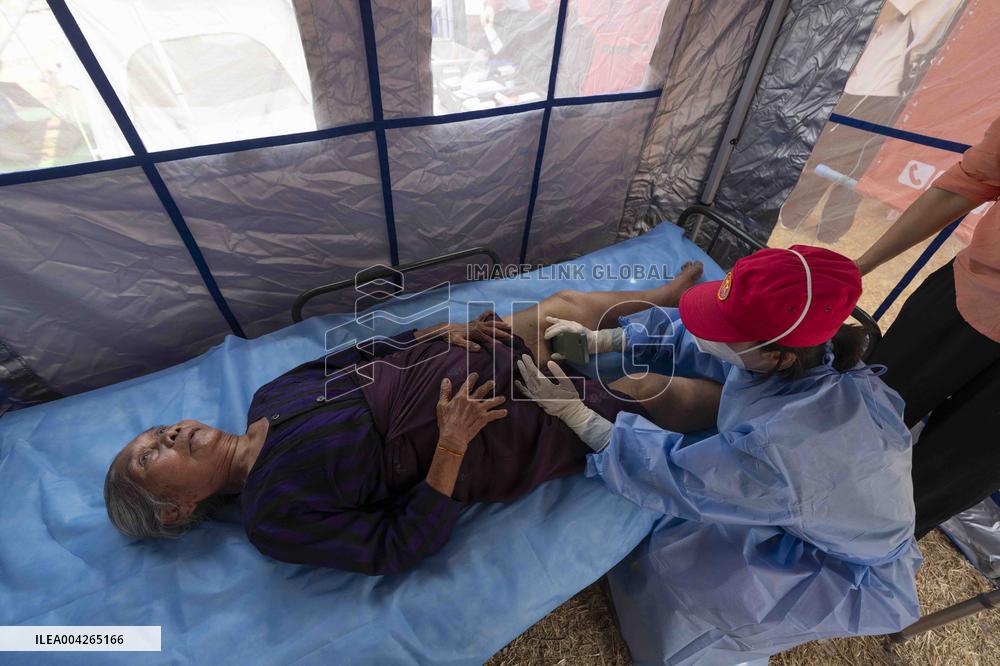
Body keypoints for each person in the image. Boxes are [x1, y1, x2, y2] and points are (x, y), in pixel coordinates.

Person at [103, 264, 712, 575]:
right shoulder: (272, 518)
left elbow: (356, 353)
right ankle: (749, 412)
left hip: (464, 355)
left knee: (562, 310)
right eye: (151, 455)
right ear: (176, 510)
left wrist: (441, 329)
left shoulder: (267, 397)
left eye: (158, 431)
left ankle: (658, 301)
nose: (170, 434)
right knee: (638, 386)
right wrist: (451, 443)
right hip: (481, 428)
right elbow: (399, 546)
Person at [516, 245, 922, 664]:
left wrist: (580, 418)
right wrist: (604, 340)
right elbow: (703, 339)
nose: (710, 334)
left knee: (688, 602)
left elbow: (677, 475)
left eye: (726, 331)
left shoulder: (785, 452)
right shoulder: (810, 354)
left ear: (778, 356)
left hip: (840, 562)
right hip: (820, 498)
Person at [856, 114, 1000, 538]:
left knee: (944, 481)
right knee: (859, 425)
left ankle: (858, 557)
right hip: (968, 301)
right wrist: (861, 266)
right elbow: (963, 185)